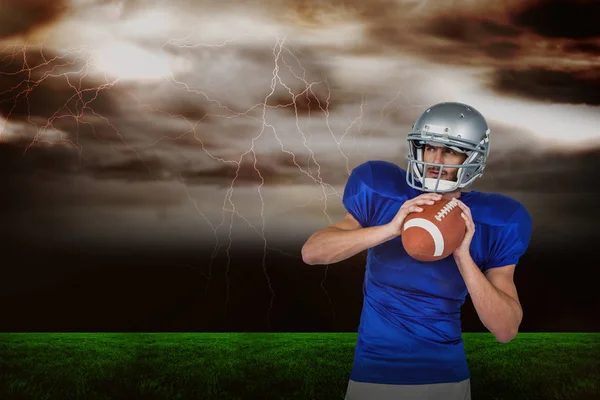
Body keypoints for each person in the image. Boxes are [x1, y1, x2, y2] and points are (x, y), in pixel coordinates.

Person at [301, 102, 532, 400]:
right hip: (371, 374)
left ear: (472, 157)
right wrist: (391, 228)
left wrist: (463, 255)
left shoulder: (495, 220)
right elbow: (313, 252)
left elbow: (506, 329)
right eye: (429, 147)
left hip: (444, 379)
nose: (436, 159)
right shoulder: (382, 191)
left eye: (450, 150)